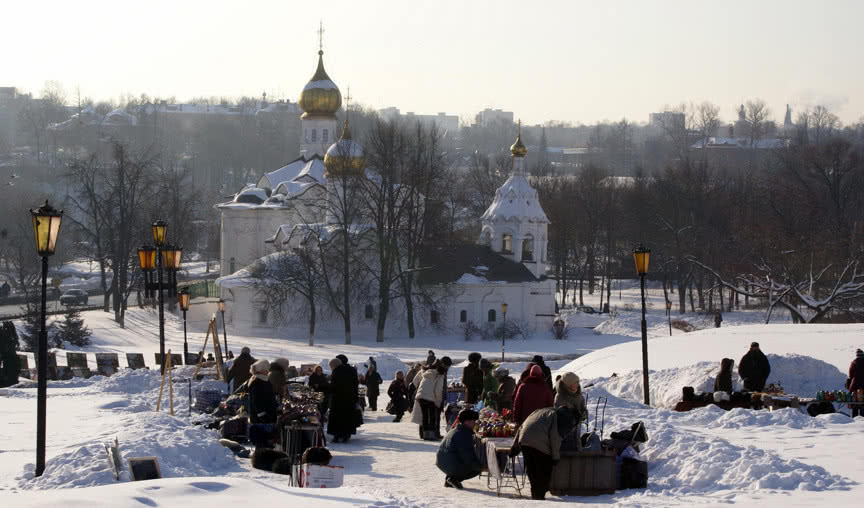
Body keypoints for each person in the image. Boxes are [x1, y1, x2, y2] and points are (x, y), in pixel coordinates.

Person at [512, 406, 574, 500]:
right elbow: (555, 438)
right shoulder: (556, 416)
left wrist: (515, 446)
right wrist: (555, 457)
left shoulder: (538, 411)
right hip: (540, 444)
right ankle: (539, 498)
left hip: (525, 441)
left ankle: (536, 496)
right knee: (544, 472)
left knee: (532, 471)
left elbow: (522, 426)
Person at [436, 409, 483, 489]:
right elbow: (467, 455)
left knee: (471, 463)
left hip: (442, 461)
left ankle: (450, 479)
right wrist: (481, 467)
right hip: (448, 463)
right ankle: (454, 479)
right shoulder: (464, 434)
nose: (474, 423)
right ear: (467, 422)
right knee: (476, 468)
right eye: (473, 421)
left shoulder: (457, 429)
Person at [328, 357, 360, 443]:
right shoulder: (352, 370)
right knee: (347, 417)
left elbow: (334, 386)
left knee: (337, 418)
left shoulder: (336, 371)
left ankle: (337, 435)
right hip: (350, 398)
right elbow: (356, 383)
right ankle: (346, 435)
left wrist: (323, 387)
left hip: (338, 399)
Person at [412, 360, 446, 440]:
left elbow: (416, 382)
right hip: (430, 397)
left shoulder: (426, 372)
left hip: (420, 396)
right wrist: (438, 402)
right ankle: (431, 435)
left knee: (425, 416)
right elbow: (438, 390)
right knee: (432, 416)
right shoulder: (439, 376)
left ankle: (425, 434)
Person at [248, 360, 278, 425]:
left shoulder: (265, 380)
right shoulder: (257, 381)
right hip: (261, 418)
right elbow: (256, 400)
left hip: (267, 414)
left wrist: (276, 406)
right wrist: (262, 415)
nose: (268, 371)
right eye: (267, 369)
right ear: (261, 370)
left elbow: (270, 396)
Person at [848, 349, 864, 417]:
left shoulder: (853, 362)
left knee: (855, 403)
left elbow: (850, 374)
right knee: (863, 404)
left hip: (854, 385)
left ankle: (854, 419)